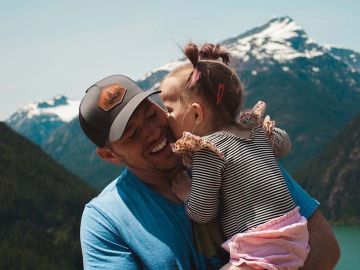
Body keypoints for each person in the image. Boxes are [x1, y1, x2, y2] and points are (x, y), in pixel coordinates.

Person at [79, 74, 339, 269]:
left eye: (151, 114)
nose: (152, 132)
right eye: (132, 134)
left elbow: (325, 243)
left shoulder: (230, 148)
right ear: (109, 155)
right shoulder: (105, 220)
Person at [160, 42, 312, 270]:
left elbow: (203, 212)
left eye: (169, 109)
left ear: (195, 113)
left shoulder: (208, 150)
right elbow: (284, 146)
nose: (165, 117)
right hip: (295, 233)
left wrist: (187, 194)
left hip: (260, 246)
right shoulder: (254, 130)